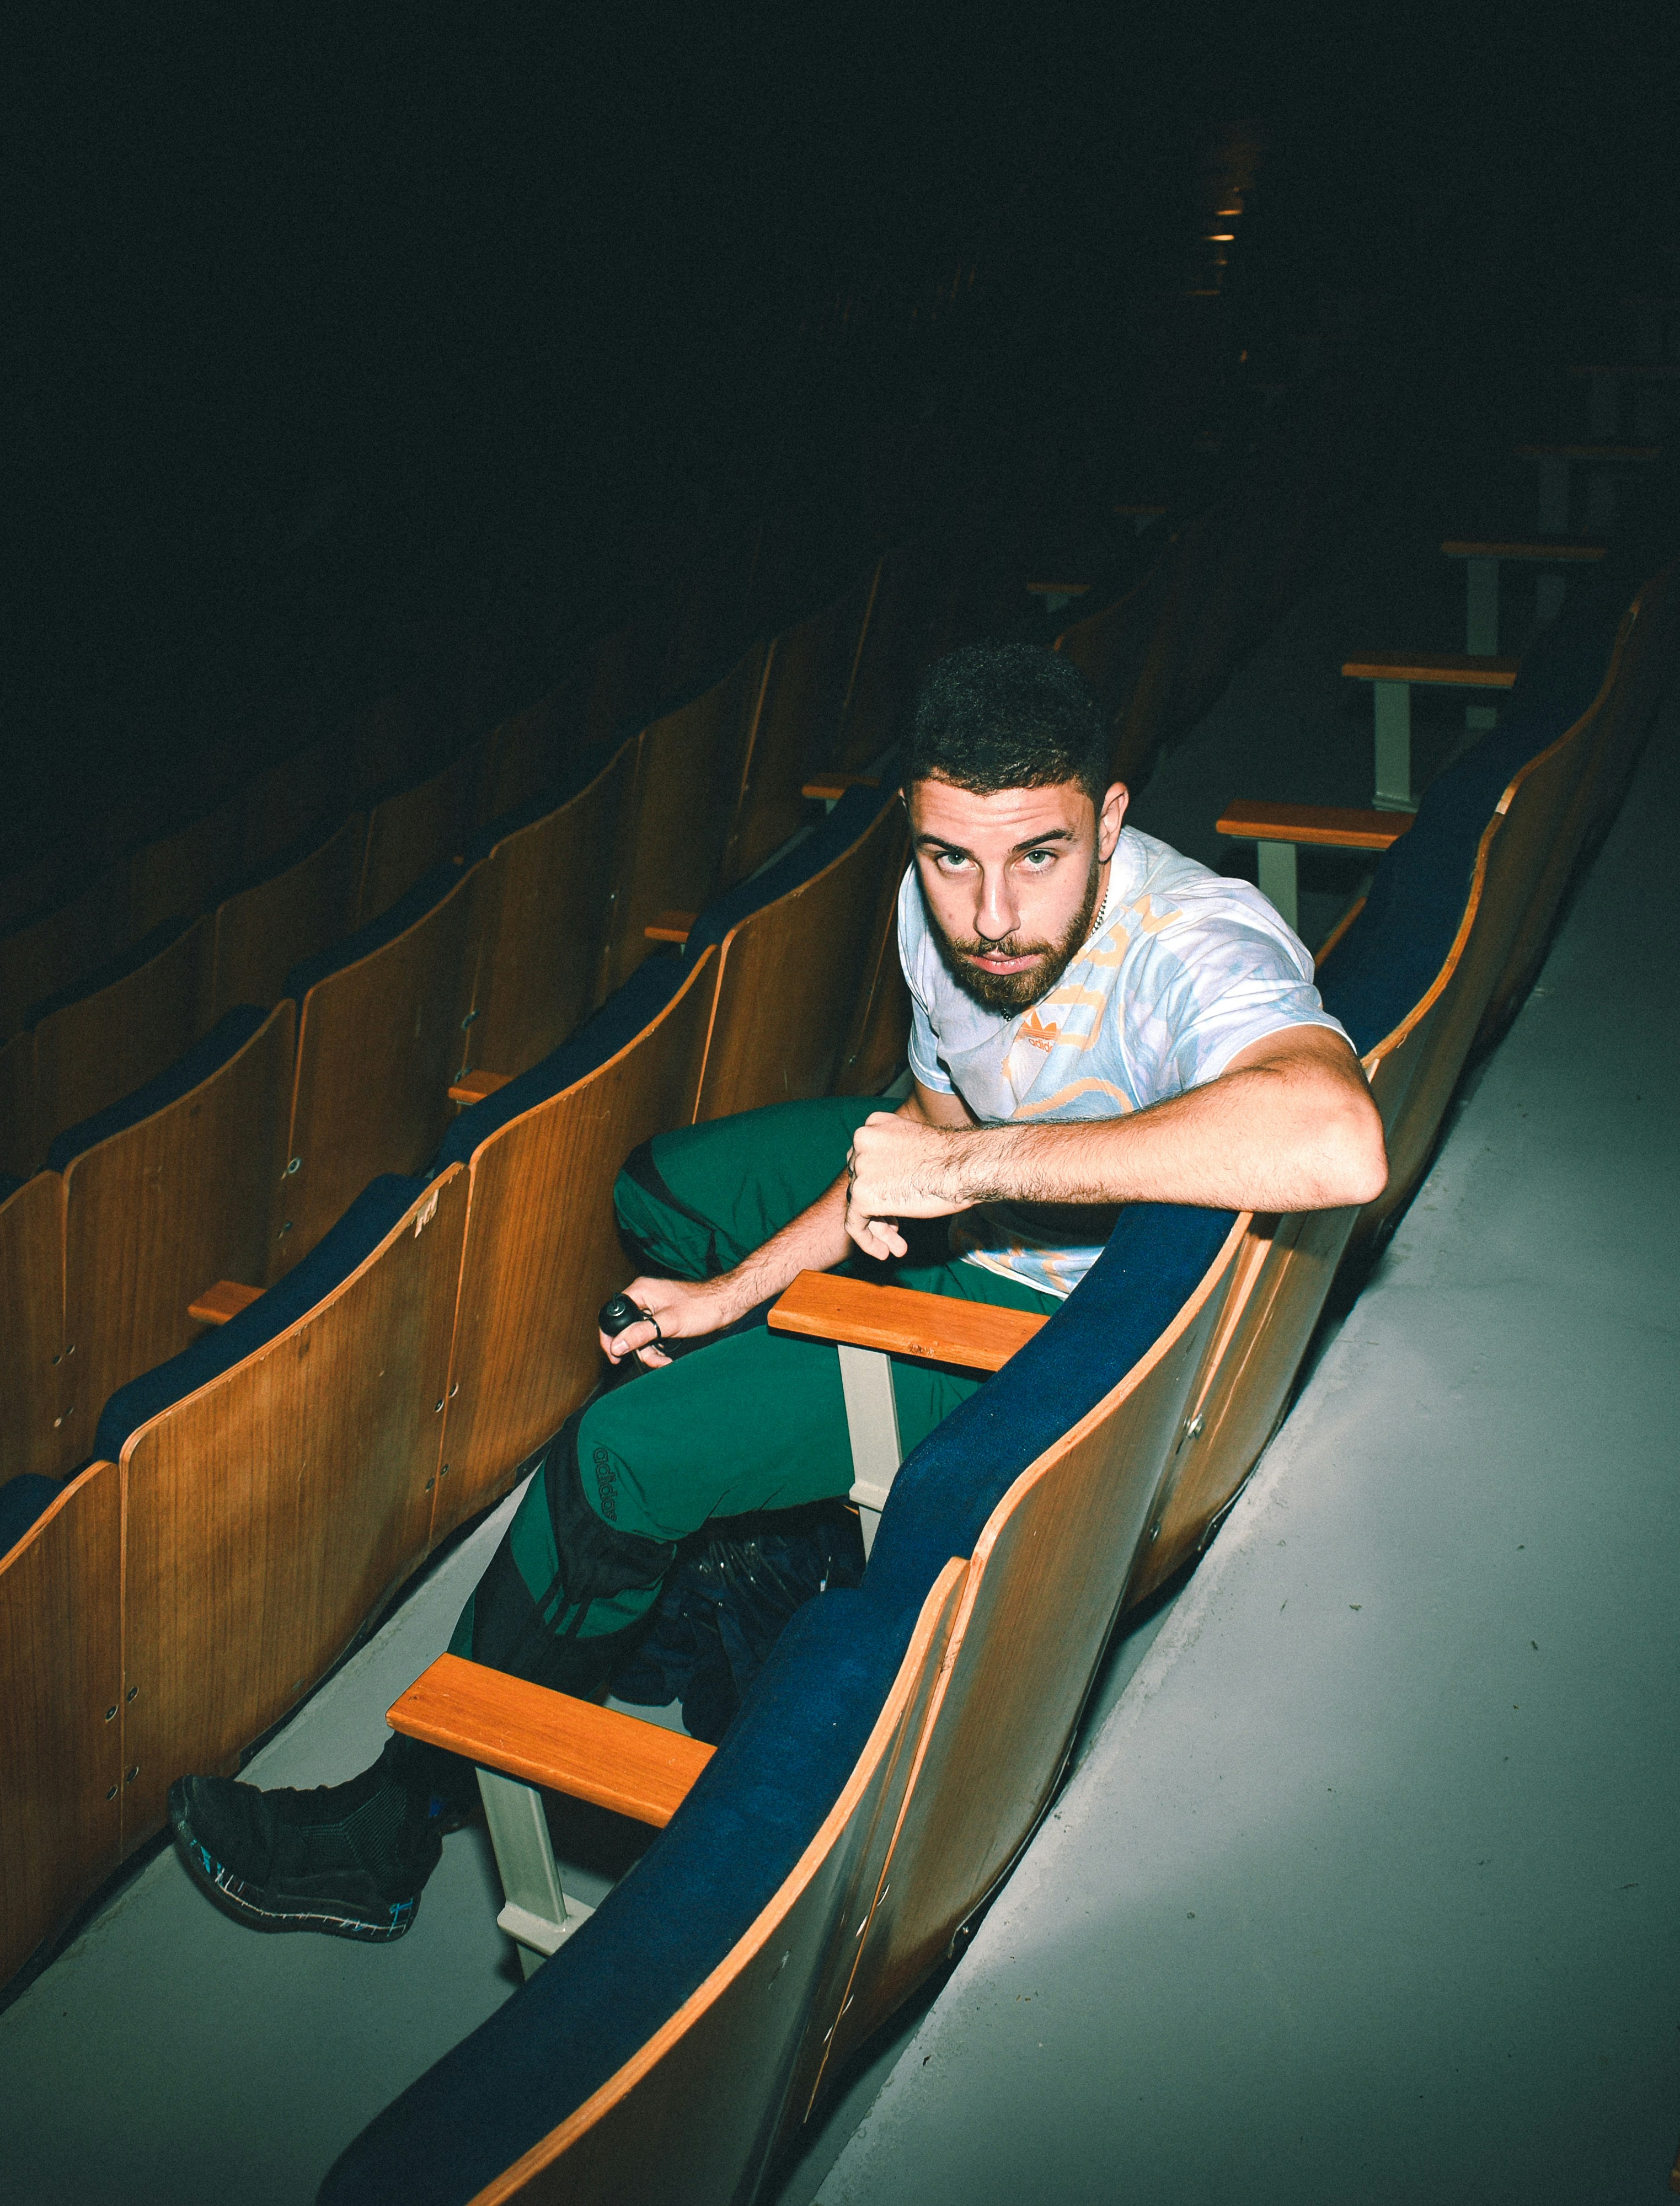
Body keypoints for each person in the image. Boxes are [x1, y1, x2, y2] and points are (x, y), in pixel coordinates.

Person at [166, 639, 1389, 1940]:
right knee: (663, 1198)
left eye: (1041, 854)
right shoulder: (944, 921)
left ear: (1113, 821)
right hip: (965, 1201)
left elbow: (1335, 1135)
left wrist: (970, 1167)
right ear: (913, 830)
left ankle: (390, 1829)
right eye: (950, 856)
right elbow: (926, 1118)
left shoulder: (1190, 938)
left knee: (618, 1459)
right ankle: (739, 1560)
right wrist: (735, 1294)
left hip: (1043, 1311)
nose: (989, 915)